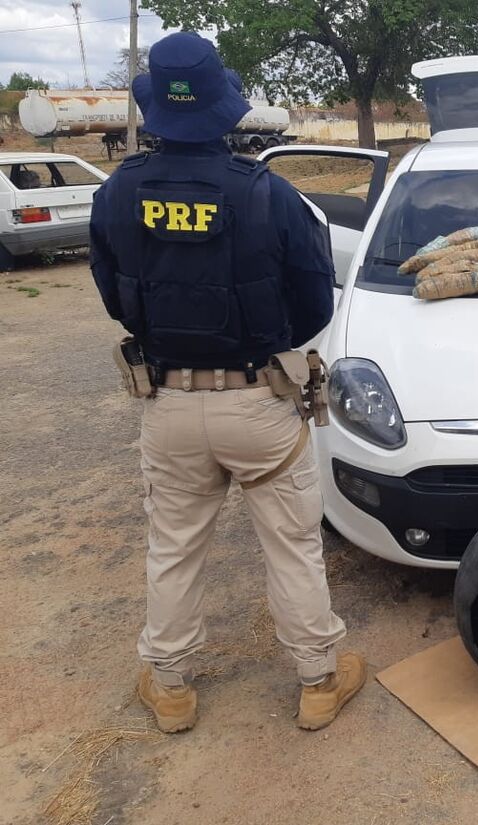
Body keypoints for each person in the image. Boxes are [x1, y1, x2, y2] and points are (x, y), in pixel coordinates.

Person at [89, 32, 365, 733]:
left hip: (170, 401)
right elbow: (315, 307)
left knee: (174, 547)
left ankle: (173, 687)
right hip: (260, 403)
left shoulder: (117, 192)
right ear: (224, 109)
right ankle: (318, 680)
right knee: (293, 546)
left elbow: (115, 296)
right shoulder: (270, 195)